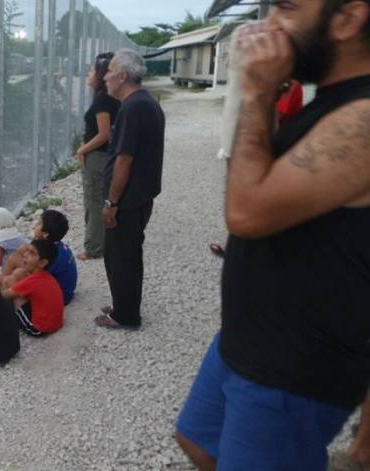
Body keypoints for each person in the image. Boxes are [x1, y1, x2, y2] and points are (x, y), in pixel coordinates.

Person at [175, 2, 370, 468]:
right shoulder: (329, 98)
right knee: (198, 442)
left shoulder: (362, 118)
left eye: (286, 7)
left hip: (294, 369)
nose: (269, 24)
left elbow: (245, 211)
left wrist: (258, 92)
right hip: (246, 343)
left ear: (347, 19)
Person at [94, 49, 165, 330]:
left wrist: (112, 203)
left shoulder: (133, 107)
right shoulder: (144, 102)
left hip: (128, 200)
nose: (105, 77)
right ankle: (124, 305)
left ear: (122, 76)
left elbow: (124, 158)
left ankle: (125, 316)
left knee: (121, 257)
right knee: (127, 254)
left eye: (109, 71)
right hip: (139, 196)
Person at [208, 79, 305, 259]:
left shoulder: (290, 86)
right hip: (262, 149)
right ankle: (236, 245)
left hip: (275, 151)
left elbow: (275, 115)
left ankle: (253, 250)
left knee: (258, 200)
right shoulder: (272, 85)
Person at [75, 52, 119, 261]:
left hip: (97, 158)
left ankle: (93, 248)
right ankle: (103, 242)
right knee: (101, 199)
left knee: (93, 201)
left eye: (91, 70)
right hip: (106, 157)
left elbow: (104, 134)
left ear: (101, 75)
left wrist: (82, 149)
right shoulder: (113, 96)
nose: (88, 73)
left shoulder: (102, 100)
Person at [0, 210, 78, 305]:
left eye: (39, 223)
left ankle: (2, 287)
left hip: (60, 297)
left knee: (17, 271)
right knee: (22, 250)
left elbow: (37, 274)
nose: (35, 225)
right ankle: (3, 282)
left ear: (45, 234)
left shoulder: (49, 253)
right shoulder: (55, 244)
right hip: (65, 290)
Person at [1, 239, 64, 337]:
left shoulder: (32, 281)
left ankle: (4, 318)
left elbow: (4, 295)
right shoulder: (46, 276)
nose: (25, 254)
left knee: (8, 283)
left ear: (42, 263)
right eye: (27, 250)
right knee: (18, 275)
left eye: (31, 253)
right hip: (56, 323)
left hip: (39, 329)